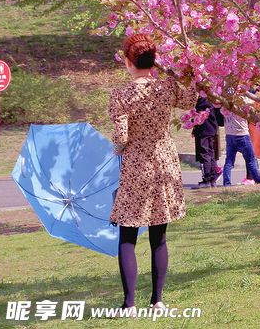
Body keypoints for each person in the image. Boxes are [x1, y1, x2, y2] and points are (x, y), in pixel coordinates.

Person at [110, 33, 194, 311]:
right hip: (165, 161)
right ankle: (157, 301)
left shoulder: (121, 94)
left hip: (136, 165)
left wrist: (117, 148)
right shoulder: (166, 87)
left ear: (128, 62)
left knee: (128, 234)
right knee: (159, 235)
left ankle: (129, 303)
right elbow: (190, 100)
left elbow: (121, 136)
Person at [223, 101, 260, 186]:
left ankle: (226, 183)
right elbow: (254, 109)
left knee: (229, 162)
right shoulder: (243, 102)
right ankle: (259, 181)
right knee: (251, 160)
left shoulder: (225, 104)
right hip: (242, 135)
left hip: (229, 134)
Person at [191, 95, 223, 188]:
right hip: (212, 129)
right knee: (211, 154)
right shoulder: (213, 99)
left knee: (204, 154)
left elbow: (199, 117)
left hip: (204, 130)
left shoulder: (202, 100)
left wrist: (195, 127)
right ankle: (212, 179)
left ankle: (207, 179)